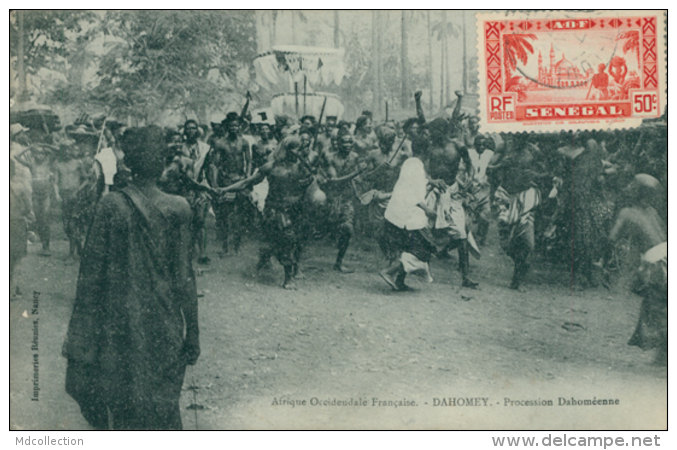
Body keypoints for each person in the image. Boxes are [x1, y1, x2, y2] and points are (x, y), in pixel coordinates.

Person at [63, 126, 200, 430]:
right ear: (164, 161)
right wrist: (194, 332)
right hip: (164, 323)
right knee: (162, 407)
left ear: (128, 162)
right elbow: (184, 278)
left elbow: (89, 280)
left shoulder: (111, 205)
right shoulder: (178, 207)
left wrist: (83, 337)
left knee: (125, 406)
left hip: (119, 324)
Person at [227, 137, 315, 289]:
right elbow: (248, 182)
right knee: (286, 239)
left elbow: (312, 186)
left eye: (299, 149)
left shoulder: (303, 167)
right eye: (294, 149)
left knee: (279, 241)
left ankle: (264, 263)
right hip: (275, 209)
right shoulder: (271, 167)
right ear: (286, 150)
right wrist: (225, 189)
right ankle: (288, 279)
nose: (297, 152)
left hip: (296, 209)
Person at [609, 175, 666, 365]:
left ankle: (663, 356)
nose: (627, 187)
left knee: (657, 309)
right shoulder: (653, 212)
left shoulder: (627, 212)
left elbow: (612, 237)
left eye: (631, 185)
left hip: (658, 265)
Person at [425, 118, 479, 288]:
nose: (434, 136)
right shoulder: (429, 147)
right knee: (420, 227)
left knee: (461, 234)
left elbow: (470, 165)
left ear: (445, 131)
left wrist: (470, 177)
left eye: (436, 133)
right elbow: (420, 169)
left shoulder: (458, 146)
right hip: (432, 191)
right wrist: (431, 180)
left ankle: (465, 276)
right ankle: (405, 269)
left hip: (452, 192)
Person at [379, 140, 437, 291]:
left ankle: (399, 281)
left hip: (399, 213)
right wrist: (426, 209)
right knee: (423, 249)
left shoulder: (411, 163)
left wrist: (432, 181)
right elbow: (412, 192)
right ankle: (389, 271)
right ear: (427, 151)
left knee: (407, 247)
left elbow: (416, 183)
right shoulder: (416, 166)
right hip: (406, 215)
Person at [491, 135, 546, 290]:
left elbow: (547, 172)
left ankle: (518, 278)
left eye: (523, 136)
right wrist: (500, 166)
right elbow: (489, 169)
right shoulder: (504, 147)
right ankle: (519, 265)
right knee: (505, 242)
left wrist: (536, 175)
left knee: (528, 243)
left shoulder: (533, 151)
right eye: (516, 136)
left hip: (525, 196)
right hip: (506, 196)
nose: (519, 139)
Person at [162, 120, 213, 264]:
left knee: (198, 221)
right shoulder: (170, 155)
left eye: (194, 128)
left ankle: (200, 253)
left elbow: (203, 172)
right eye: (188, 128)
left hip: (193, 189)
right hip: (174, 192)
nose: (191, 131)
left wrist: (207, 188)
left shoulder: (203, 149)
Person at [207, 112, 252, 256]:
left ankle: (237, 246)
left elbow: (249, 161)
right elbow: (214, 164)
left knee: (240, 215)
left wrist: (248, 177)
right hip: (226, 182)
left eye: (236, 125)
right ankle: (225, 246)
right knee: (225, 215)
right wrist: (215, 185)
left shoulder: (244, 142)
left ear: (240, 127)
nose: (234, 128)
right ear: (227, 127)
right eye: (231, 126)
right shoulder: (220, 143)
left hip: (240, 181)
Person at [321, 131, 363, 273]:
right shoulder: (329, 158)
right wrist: (355, 174)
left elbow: (360, 176)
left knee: (347, 229)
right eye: (344, 142)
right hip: (331, 198)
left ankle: (339, 262)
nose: (348, 145)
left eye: (350, 142)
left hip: (347, 198)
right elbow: (334, 181)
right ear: (338, 144)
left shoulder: (355, 157)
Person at [53, 142, 96, 259]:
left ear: (71, 151)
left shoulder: (78, 163)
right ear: (62, 152)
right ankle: (79, 246)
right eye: (65, 150)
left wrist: (78, 190)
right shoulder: (57, 164)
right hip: (64, 197)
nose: (67, 153)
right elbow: (56, 182)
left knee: (72, 225)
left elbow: (86, 179)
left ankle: (71, 254)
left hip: (76, 197)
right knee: (66, 226)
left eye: (69, 150)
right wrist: (57, 194)